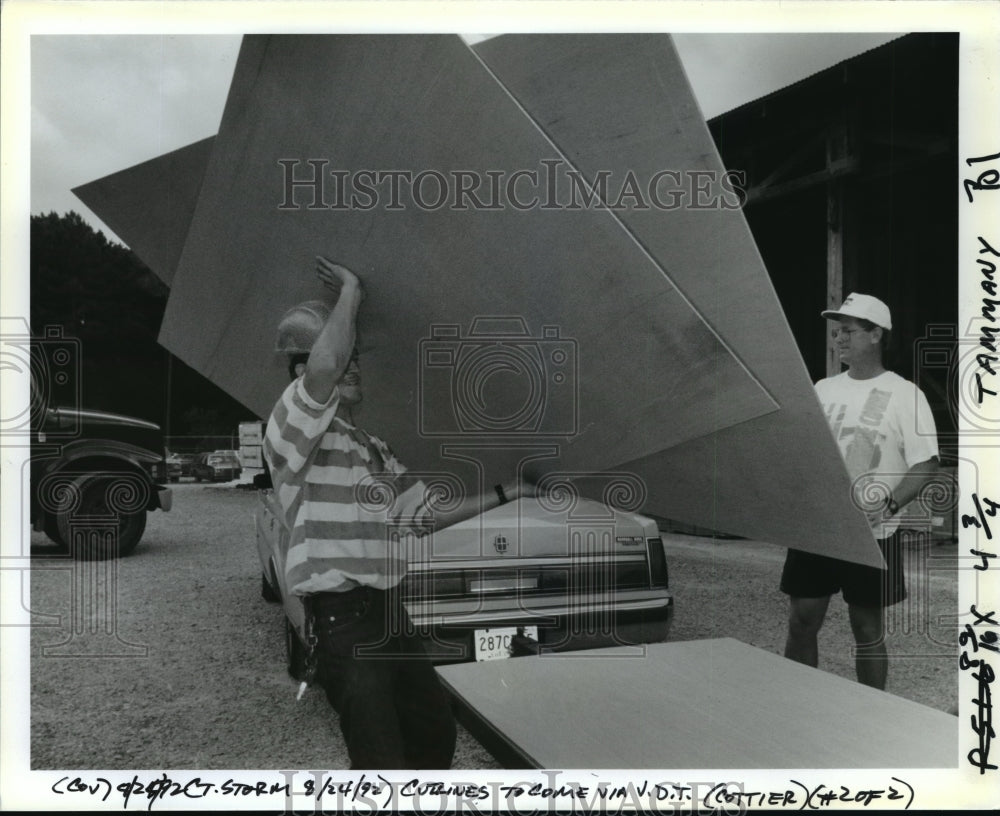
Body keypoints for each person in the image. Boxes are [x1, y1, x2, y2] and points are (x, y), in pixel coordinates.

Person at [263, 256, 532, 769]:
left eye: (358, 359)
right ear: (301, 372)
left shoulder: (372, 447)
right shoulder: (293, 433)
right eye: (348, 358)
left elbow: (423, 518)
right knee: (380, 758)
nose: (355, 365)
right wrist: (352, 292)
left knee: (433, 737)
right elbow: (325, 366)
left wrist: (509, 492)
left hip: (389, 613)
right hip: (342, 622)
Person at [780, 293, 939, 689]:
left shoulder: (905, 395)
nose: (839, 340)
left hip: (874, 530)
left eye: (848, 332)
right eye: (837, 333)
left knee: (867, 628)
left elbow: (926, 463)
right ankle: (798, 706)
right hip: (819, 526)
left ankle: (873, 713)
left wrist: (889, 504)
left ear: (875, 335)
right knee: (802, 621)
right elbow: (806, 451)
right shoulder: (823, 388)